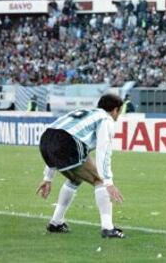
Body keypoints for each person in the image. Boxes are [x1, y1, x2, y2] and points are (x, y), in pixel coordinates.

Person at [36, 94, 125, 238]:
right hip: (66, 141)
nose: (118, 116)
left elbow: (55, 136)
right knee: (99, 181)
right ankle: (108, 228)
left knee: (75, 179)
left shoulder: (87, 113)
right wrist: (108, 182)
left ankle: (56, 222)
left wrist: (48, 177)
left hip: (46, 139)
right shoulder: (106, 119)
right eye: (119, 112)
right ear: (115, 110)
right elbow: (103, 152)